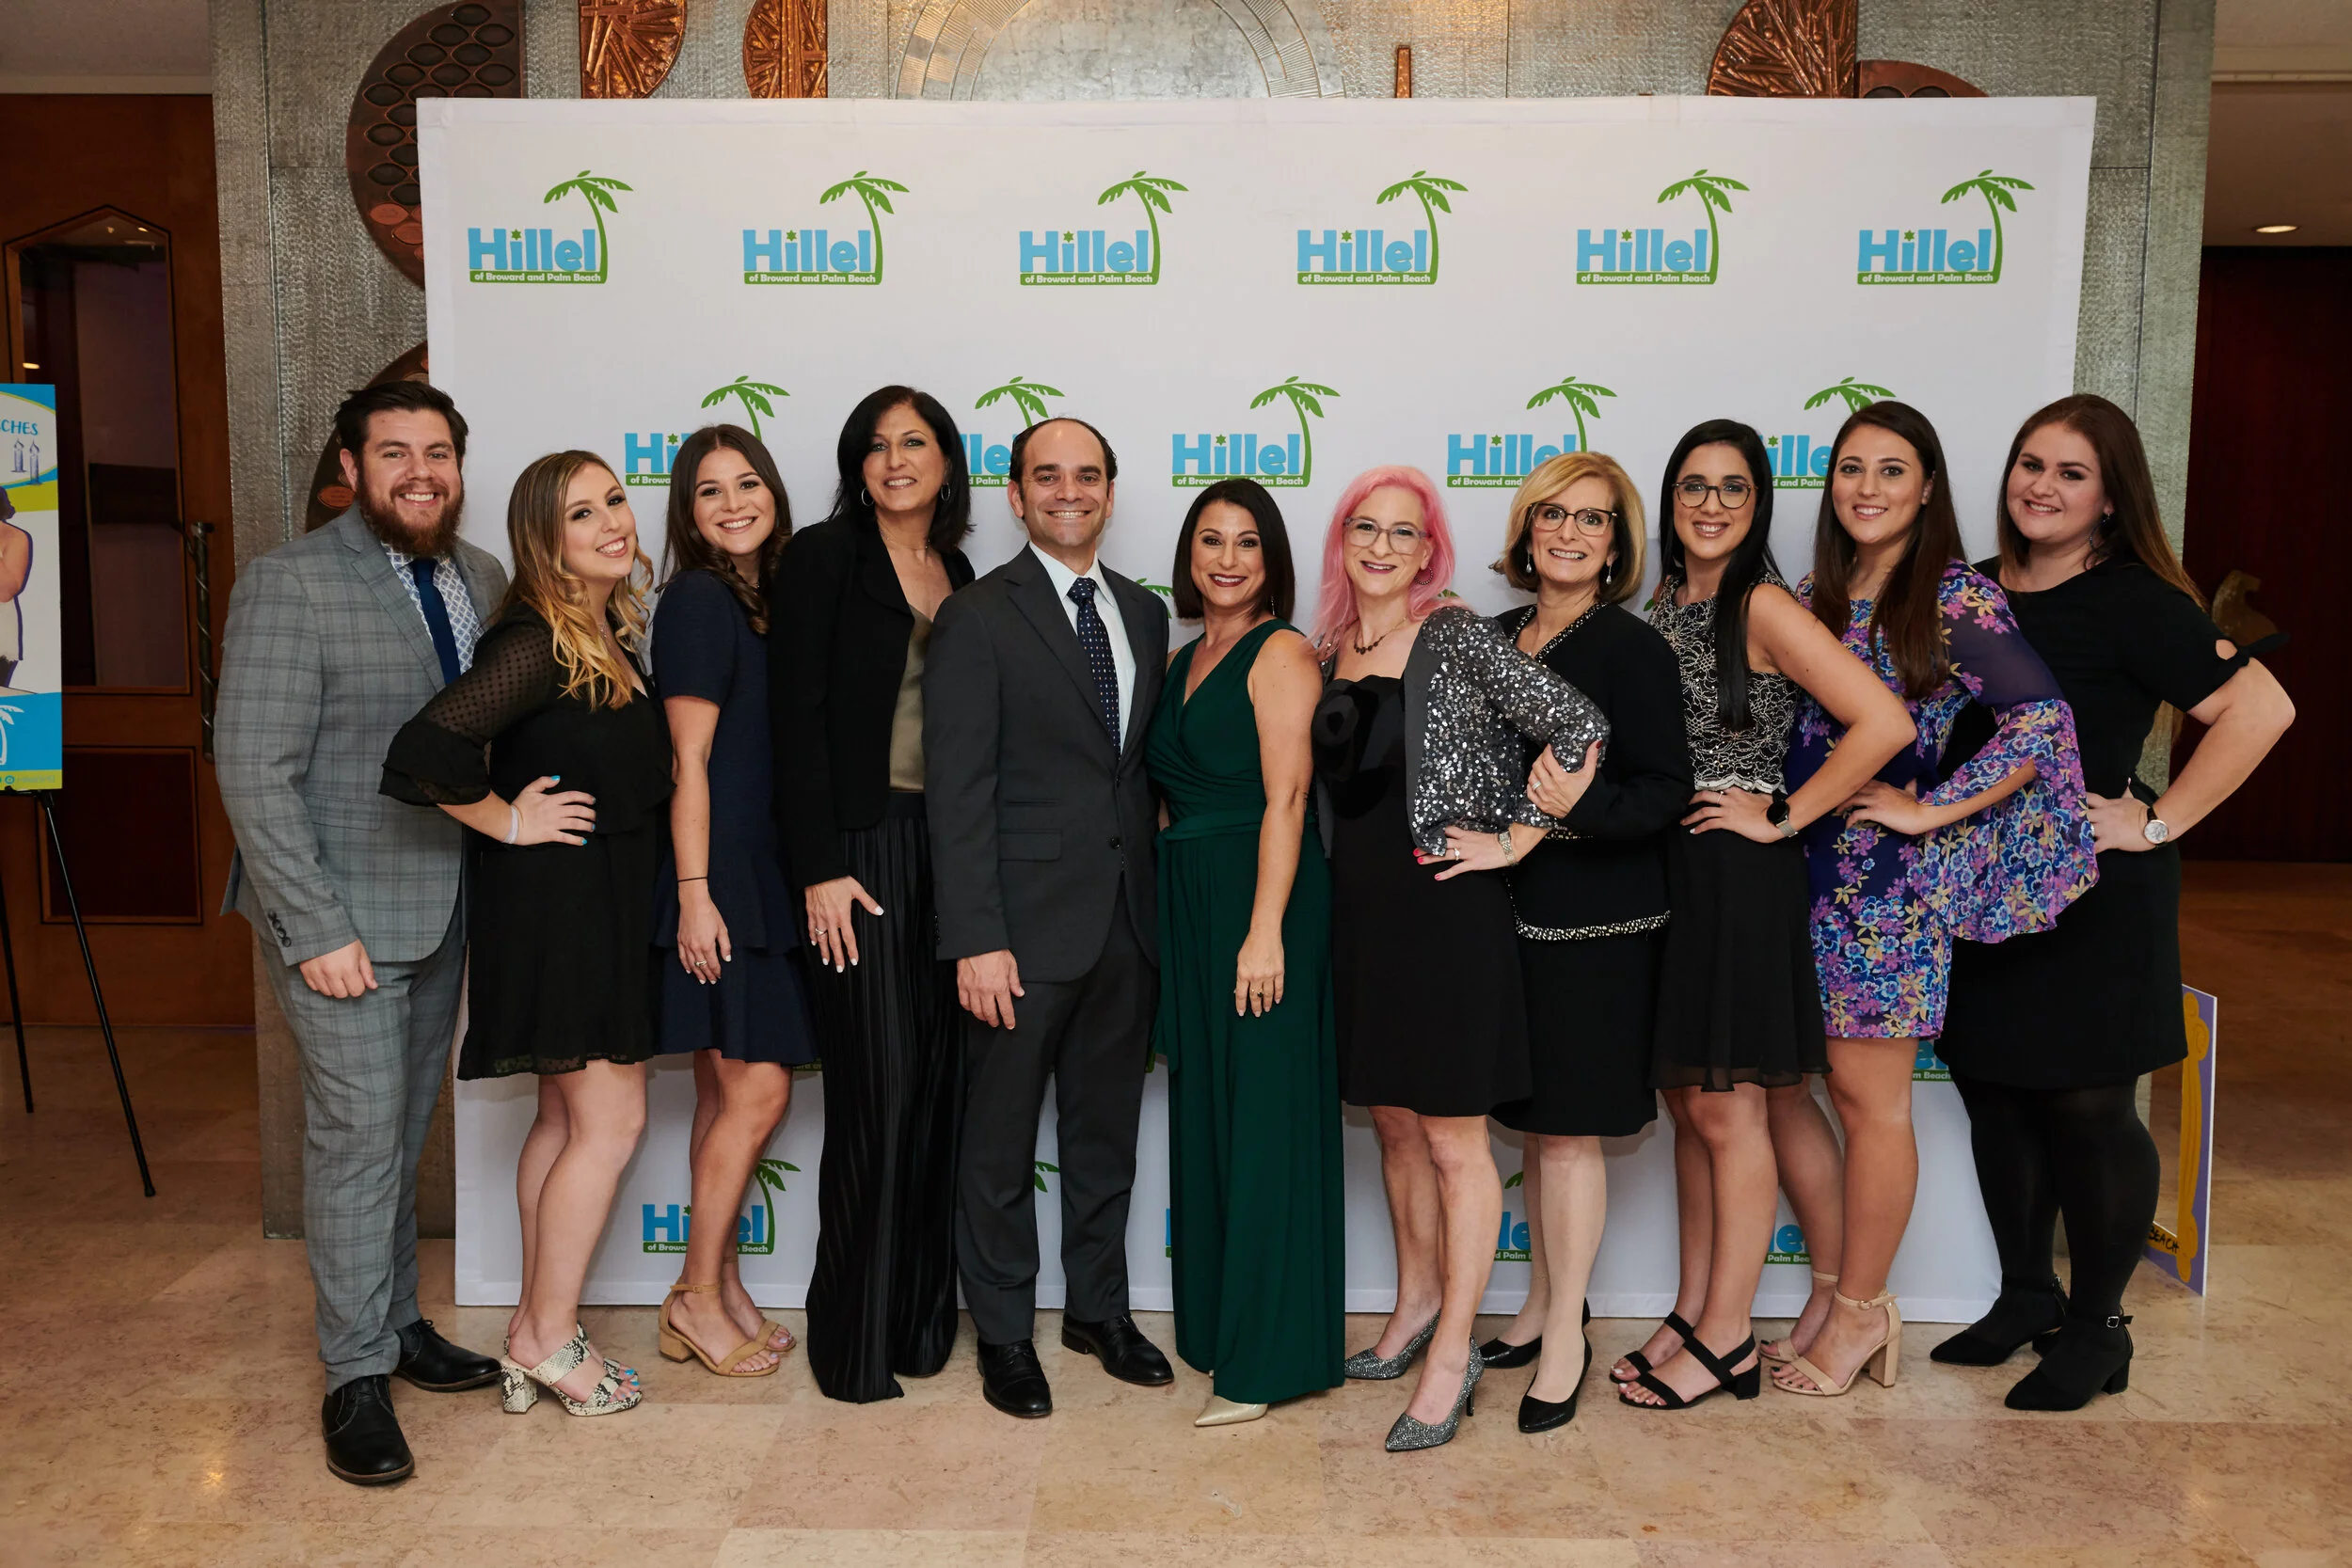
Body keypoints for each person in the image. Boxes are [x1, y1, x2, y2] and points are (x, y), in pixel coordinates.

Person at [1936, 394, 2293, 1409]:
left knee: (2089, 1108)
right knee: (1996, 1093)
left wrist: (2157, 820)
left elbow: (2260, 706)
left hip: (2093, 892)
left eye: (2071, 473)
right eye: (2030, 463)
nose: (2041, 486)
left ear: (2108, 499)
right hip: (1986, 887)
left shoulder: (2133, 598)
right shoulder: (1966, 590)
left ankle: (2098, 1327)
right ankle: (2025, 1295)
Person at [1761, 401, 2096, 1401]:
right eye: (1850, 467)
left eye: (1891, 469)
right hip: (1795, 879)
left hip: (1886, 896)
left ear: (1927, 489)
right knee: (1792, 1092)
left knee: (1871, 1105)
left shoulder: (1952, 596)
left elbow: (2041, 725)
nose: (1866, 488)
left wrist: (1927, 809)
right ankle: (1833, 1293)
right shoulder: (1813, 595)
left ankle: (1865, 1309)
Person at [217, 381, 507, 1485]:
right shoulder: (289, 581)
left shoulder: (480, 575)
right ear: (351, 467)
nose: (420, 472)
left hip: (444, 905)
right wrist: (314, 926)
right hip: (339, 919)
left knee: (397, 1129)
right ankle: (353, 1375)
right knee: (356, 1140)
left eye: (438, 452)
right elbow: (254, 769)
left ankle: (396, 1325)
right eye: (395, 452)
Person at [1309, 465, 1608, 1452]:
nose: (1383, 546)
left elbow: (1579, 723)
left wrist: (1519, 836)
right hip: (1360, 919)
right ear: (1344, 539)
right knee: (1394, 1125)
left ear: (1429, 550)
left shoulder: (1453, 634)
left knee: (1450, 1141)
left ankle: (1453, 1355)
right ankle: (1415, 1305)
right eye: (1366, 527)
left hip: (1444, 913)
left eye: (1405, 531)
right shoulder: (1329, 645)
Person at [1614, 420, 1913, 1413]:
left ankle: (1728, 1337)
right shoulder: (1666, 601)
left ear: (1759, 504)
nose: (1710, 505)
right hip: (1672, 869)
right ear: (1669, 501)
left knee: (1730, 1110)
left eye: (1732, 488)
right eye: (1693, 486)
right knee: (1692, 1105)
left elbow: (1883, 721)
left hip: (1735, 875)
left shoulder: (1762, 605)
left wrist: (1782, 813)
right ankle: (1695, 1309)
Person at [381, 450, 672, 1419]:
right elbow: (424, 748)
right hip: (562, 911)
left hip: (589, 904)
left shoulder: (604, 628)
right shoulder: (536, 638)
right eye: (580, 513)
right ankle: (547, 1337)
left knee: (562, 1118)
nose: (611, 522)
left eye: (614, 500)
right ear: (543, 540)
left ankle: (532, 1328)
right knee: (610, 1121)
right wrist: (506, 819)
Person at [926, 416, 1173, 1419]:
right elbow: (956, 791)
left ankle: (1098, 1310)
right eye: (1047, 475)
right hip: (1017, 931)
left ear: (1110, 490)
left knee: (1104, 1133)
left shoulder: (1145, 613)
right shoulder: (977, 615)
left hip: (1126, 921)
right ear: (1016, 494)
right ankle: (1001, 1330)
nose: (1069, 491)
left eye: (1087, 475)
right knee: (996, 1140)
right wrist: (976, 936)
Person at [1471, 451, 1692, 1433]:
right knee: (1531, 1121)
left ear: (1616, 544)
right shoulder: (1493, 638)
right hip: (1502, 920)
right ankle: (1537, 1304)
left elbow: (1664, 789)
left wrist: (1579, 806)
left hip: (1595, 929)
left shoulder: (1630, 648)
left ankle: (1566, 1334)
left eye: (1592, 519)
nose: (1568, 532)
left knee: (1564, 1133)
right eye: (1552, 514)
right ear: (1526, 529)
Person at [770, 387, 976, 1402]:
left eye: (915, 442)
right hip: (858, 848)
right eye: (878, 445)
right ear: (858, 465)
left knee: (937, 1087)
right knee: (877, 1091)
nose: (896, 459)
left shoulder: (960, 571)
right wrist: (818, 865)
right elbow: (793, 720)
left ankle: (919, 1321)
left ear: (946, 463)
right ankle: (851, 1339)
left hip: (948, 851)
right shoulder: (821, 557)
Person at [1148, 478, 1343, 1430]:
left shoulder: (1282, 652)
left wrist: (1264, 929)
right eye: (1211, 540)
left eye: (1247, 543)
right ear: (1189, 554)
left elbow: (1288, 798)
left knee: (1265, 1118)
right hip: (1189, 901)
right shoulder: (1181, 657)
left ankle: (1269, 1357)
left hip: (1260, 899)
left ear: (1273, 561)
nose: (1227, 559)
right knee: (1208, 1115)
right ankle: (1220, 1327)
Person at [648, 424, 818, 1380]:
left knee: (723, 1094)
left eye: (747, 483)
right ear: (688, 512)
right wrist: (695, 895)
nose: (732, 503)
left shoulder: (761, 599)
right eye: (709, 491)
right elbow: (690, 760)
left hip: (760, 874)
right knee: (758, 1090)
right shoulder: (700, 601)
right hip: (721, 880)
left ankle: (719, 1286)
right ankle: (695, 1295)